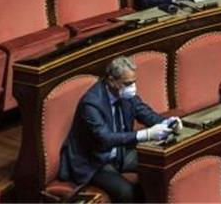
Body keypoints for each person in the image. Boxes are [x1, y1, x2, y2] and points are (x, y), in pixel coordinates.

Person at [58, 56, 178, 203]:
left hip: (120, 153)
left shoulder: (126, 94)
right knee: (127, 193)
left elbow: (145, 113)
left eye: (134, 82)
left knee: (161, 164)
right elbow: (106, 139)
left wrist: (167, 122)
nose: (132, 88)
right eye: (128, 83)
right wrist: (145, 134)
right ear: (111, 81)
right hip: (94, 162)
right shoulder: (91, 104)